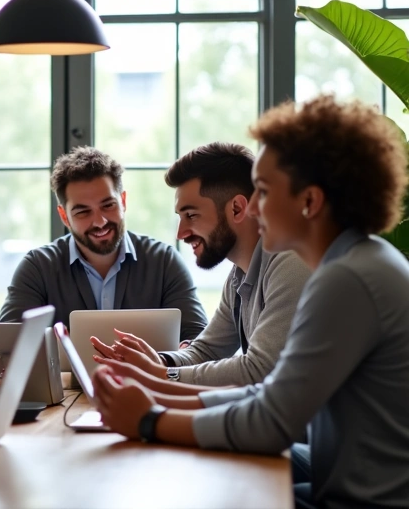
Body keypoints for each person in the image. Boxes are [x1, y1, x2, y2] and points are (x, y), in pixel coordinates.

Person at [92, 94, 409, 508]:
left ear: (309, 201)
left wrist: (151, 418)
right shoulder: (354, 262)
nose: (253, 209)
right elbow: (270, 394)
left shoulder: (346, 279)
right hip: (340, 479)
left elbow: (271, 420)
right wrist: (157, 389)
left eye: (262, 191)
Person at [91, 142, 310, 386]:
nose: (181, 233)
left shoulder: (291, 262)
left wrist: (163, 375)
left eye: (191, 215)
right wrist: (159, 361)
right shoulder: (240, 275)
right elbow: (206, 351)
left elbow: (260, 370)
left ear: (237, 209)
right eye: (180, 217)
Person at [0, 146, 207, 343]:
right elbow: (7, 346)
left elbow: (199, 340)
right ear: (64, 216)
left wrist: (177, 355)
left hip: (147, 381)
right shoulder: (38, 267)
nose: (99, 221)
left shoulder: (163, 261)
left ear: (123, 201)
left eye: (108, 205)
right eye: (83, 212)